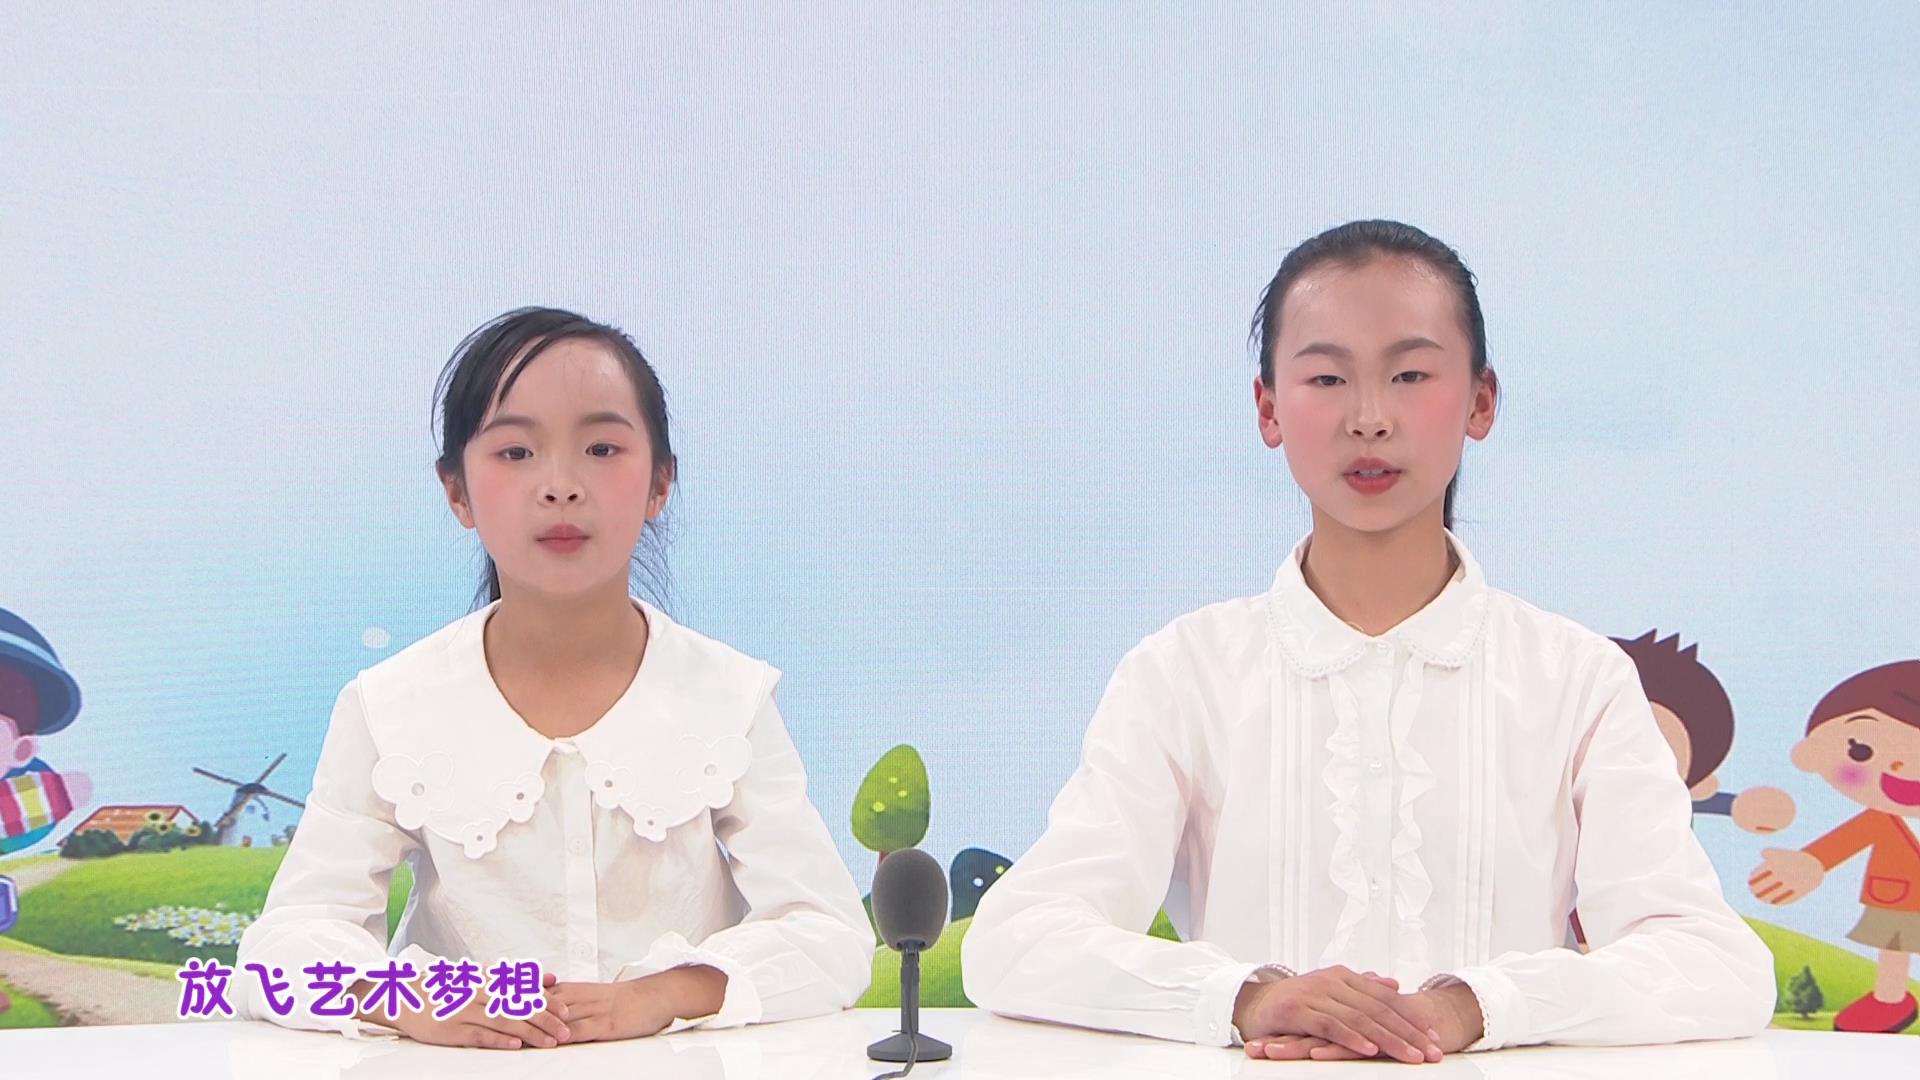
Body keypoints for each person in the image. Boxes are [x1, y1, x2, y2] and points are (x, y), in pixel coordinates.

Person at [963, 220, 1775, 1063]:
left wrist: (1478, 1006)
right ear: (1269, 408)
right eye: (1327, 378)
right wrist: (1247, 997)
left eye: (1410, 375)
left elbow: (1713, 962)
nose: (1370, 419)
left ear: (1482, 401)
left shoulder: (1576, 679)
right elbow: (1019, 941)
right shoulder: (1182, 673)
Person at [237, 307, 872, 1046]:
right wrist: (412, 1001)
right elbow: (282, 946)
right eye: (515, 452)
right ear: (457, 491)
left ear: (660, 482)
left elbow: (828, 933)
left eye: (602, 448)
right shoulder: (388, 706)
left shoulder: (729, 695)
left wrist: (665, 994)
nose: (561, 485)